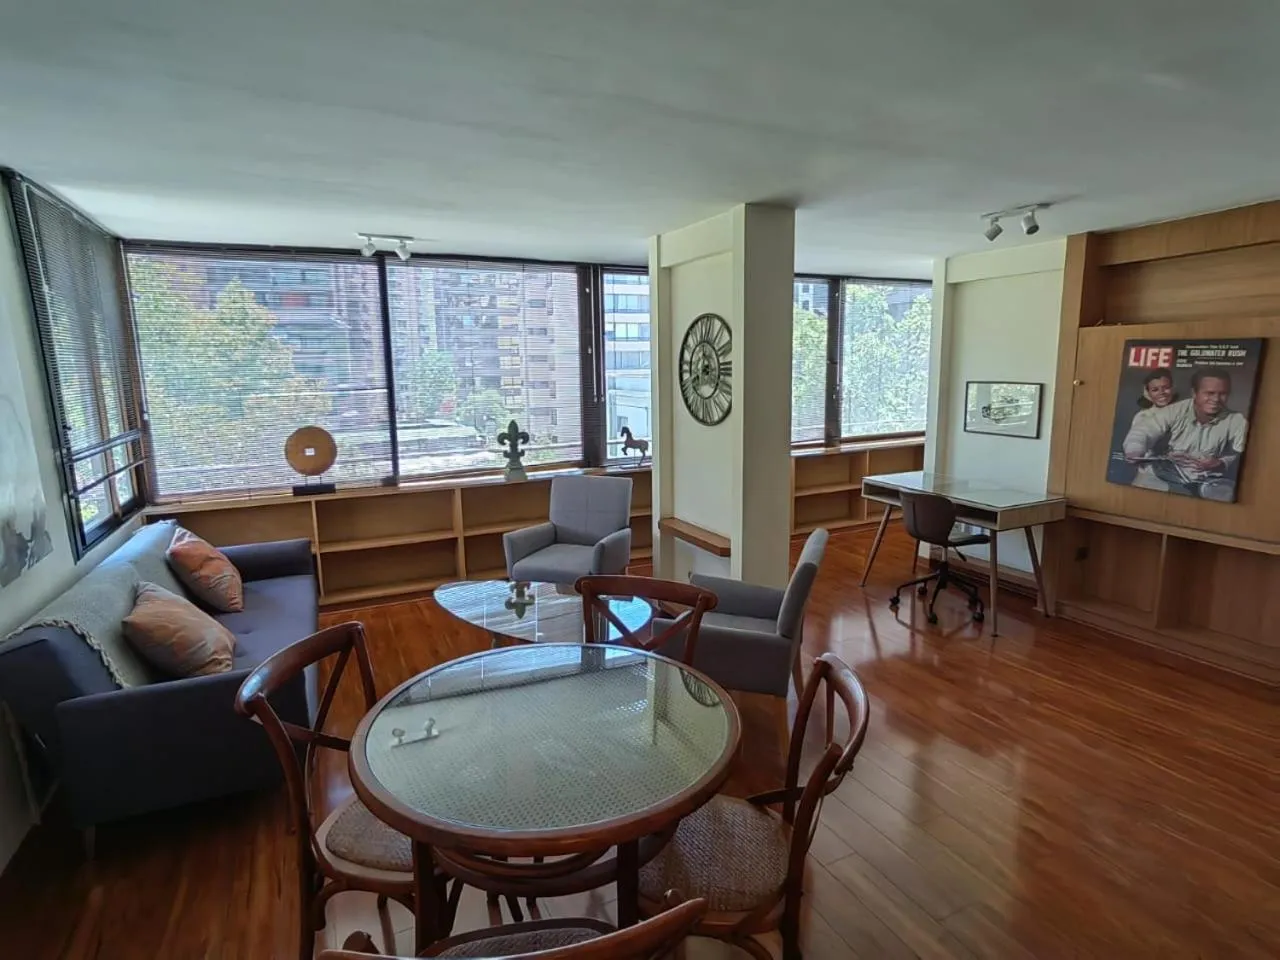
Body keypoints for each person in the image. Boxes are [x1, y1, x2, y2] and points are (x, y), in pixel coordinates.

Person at [1122, 366, 1249, 500]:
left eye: (1223, 393)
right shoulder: (1173, 411)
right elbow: (1143, 431)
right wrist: (1135, 450)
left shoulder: (1237, 420)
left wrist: (1222, 463)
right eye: (1209, 393)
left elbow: (1243, 455)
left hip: (1203, 486)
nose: (1216, 399)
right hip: (1160, 479)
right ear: (1194, 393)